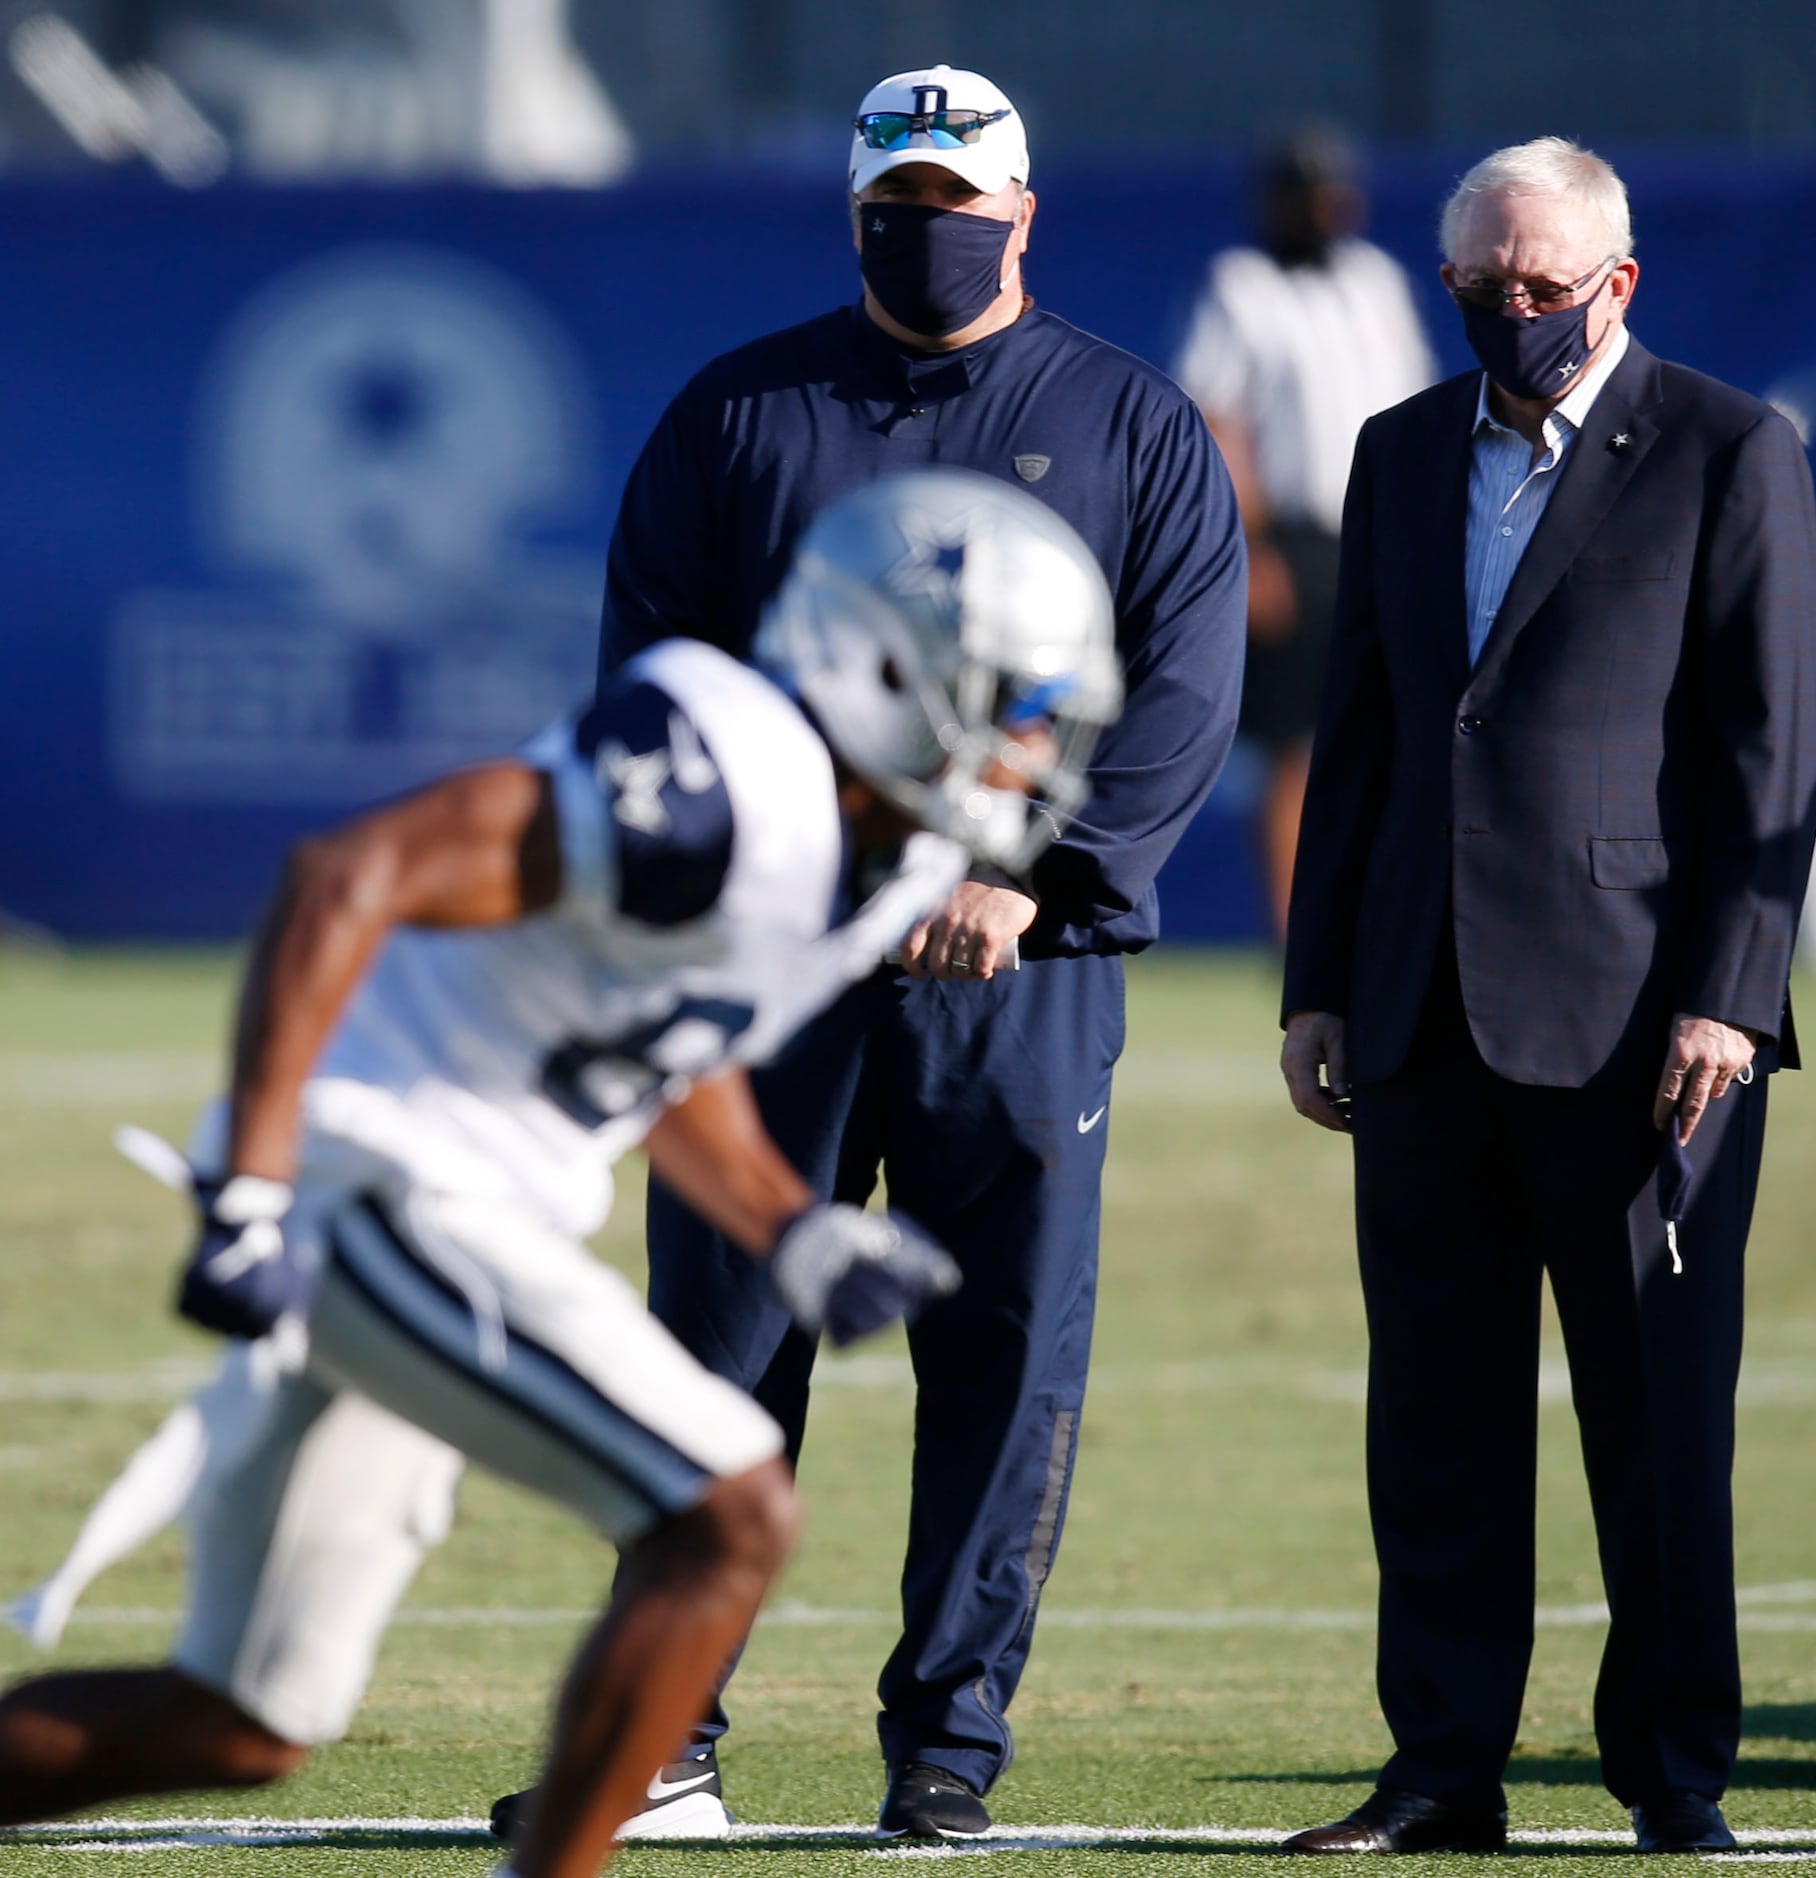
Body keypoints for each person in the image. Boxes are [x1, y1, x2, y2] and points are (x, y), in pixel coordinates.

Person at [0, 470, 1124, 1878]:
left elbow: (658, 1040)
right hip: (379, 1180)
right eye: (1019, 707)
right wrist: (255, 1189)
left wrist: (792, 1228)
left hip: (455, 1203)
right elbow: (349, 873)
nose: (1035, 752)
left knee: (235, 1720)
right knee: (727, 1514)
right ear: (896, 667)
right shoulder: (720, 761)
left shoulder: (882, 858)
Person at [499, 59, 1243, 1845]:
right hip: (779, 973)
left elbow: (1185, 684)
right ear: (855, 217)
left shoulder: (1127, 422)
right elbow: (649, 678)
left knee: (998, 1352)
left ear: (1021, 217)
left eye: (955, 210)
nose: (925, 237)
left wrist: (1039, 877)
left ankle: (948, 1746)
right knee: (716, 1339)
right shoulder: (741, 413)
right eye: (895, 211)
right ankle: (670, 1730)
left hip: (1017, 974)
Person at [1277, 138, 1816, 1857]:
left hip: (1644, 1028)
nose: (1509, 312)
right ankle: (1441, 1766)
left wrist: (1728, 995)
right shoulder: (1396, 452)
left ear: (1615, 281)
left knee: (1655, 1418)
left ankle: (1673, 1770)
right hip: (1420, 1013)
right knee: (1431, 1423)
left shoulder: (1730, 447)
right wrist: (1316, 987)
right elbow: (1359, 736)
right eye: (1478, 288)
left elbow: (1771, 747)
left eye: (1538, 285)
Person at [1172, 124, 1436, 939]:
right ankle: (1299, 937)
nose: (1327, 208)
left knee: (1395, 733)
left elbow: (1414, 402)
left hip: (1385, 528)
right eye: (1309, 194)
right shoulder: (1242, 284)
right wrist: (1250, 550)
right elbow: (1219, 417)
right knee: (1296, 744)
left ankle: (1380, 925)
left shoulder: (1374, 280)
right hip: (1297, 534)